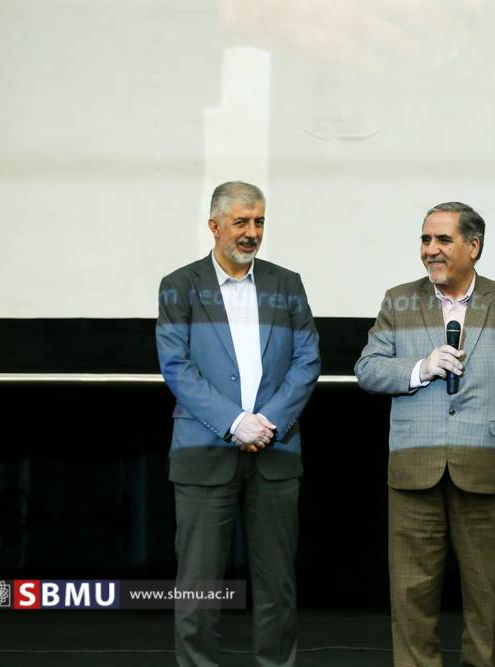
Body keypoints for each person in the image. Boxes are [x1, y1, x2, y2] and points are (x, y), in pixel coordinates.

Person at [354, 201, 495, 667]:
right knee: (410, 595)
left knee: (485, 595)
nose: (431, 249)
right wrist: (420, 368)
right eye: (425, 239)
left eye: (443, 239)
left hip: (486, 466)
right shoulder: (398, 299)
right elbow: (368, 370)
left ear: (473, 246)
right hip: (413, 466)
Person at [156, 181, 321, 667]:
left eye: (259, 222)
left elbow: (308, 360)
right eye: (241, 222)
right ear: (214, 225)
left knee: (277, 586)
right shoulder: (180, 286)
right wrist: (233, 423)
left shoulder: (286, 284)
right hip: (202, 453)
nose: (252, 232)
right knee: (199, 587)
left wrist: (267, 421)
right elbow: (176, 366)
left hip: (276, 451)